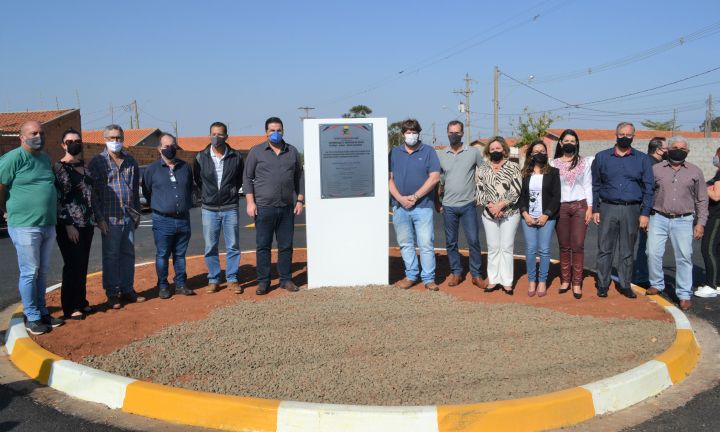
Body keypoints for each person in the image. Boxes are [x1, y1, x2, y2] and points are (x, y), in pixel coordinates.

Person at [0, 121, 64, 334]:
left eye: (41, 133)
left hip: (47, 223)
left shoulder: (45, 158)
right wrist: (4, 211)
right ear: (22, 137)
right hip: (25, 225)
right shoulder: (13, 159)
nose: (38, 136)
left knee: (43, 271)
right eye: (33, 133)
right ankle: (32, 315)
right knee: (30, 272)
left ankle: (42, 311)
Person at [591, 122, 654, 299]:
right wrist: (596, 208)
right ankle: (603, 284)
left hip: (631, 209)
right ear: (615, 134)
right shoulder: (602, 157)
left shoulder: (642, 159)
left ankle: (625, 285)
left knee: (627, 250)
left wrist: (645, 213)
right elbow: (595, 184)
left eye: (628, 134)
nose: (625, 137)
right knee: (604, 248)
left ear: (634, 136)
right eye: (621, 134)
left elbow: (649, 188)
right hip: (607, 207)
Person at [645, 136, 707, 311]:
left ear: (687, 151)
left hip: (684, 220)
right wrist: (645, 216)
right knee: (652, 252)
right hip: (658, 217)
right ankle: (657, 283)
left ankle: (684, 294)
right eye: (675, 147)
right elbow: (648, 193)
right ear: (668, 149)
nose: (678, 149)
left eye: (682, 148)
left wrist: (700, 223)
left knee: (684, 257)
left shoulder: (695, 172)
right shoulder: (656, 169)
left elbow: (702, 199)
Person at [244, 117, 304, 295]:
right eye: (272, 130)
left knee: (286, 245)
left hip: (286, 207)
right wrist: (250, 202)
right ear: (266, 132)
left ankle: (286, 279)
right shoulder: (256, 152)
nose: (275, 133)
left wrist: (299, 200)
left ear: (283, 131)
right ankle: (264, 281)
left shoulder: (292, 151)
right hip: (263, 207)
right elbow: (247, 178)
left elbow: (299, 177)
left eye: (278, 130)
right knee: (263, 246)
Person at [89, 124, 145, 309]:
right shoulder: (97, 162)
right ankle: (112, 293)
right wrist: (100, 219)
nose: (115, 141)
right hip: (110, 218)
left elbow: (135, 191)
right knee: (111, 256)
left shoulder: (131, 161)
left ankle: (127, 289)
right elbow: (93, 194)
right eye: (112, 138)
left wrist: (136, 214)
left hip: (128, 216)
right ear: (105, 139)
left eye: (119, 138)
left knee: (128, 254)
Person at [389, 119, 441, 291]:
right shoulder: (394, 153)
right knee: (405, 243)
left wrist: (416, 196)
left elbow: (434, 177)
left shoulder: (428, 152)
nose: (411, 135)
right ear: (402, 134)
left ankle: (428, 278)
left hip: (423, 205)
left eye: (414, 132)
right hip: (399, 206)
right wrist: (400, 198)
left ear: (419, 133)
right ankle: (411, 275)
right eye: (407, 132)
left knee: (426, 243)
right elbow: (388, 179)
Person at [435, 120, 488, 289]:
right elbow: (438, 181)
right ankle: (456, 272)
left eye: (457, 132)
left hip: (468, 205)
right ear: (447, 133)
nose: (454, 135)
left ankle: (476, 275)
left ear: (462, 134)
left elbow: (486, 173)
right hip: (448, 206)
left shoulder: (473, 152)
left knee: (473, 240)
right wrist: (438, 202)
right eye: (451, 132)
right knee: (451, 242)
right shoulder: (441, 155)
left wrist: (482, 195)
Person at [193, 122, 244, 294]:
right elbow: (198, 180)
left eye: (220, 134)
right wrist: (207, 195)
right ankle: (214, 278)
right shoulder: (201, 157)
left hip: (230, 207)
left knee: (233, 245)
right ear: (209, 135)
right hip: (209, 208)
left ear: (226, 136)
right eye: (213, 134)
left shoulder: (236, 157)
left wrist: (230, 192)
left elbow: (239, 180)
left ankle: (232, 278)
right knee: (210, 246)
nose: (216, 137)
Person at [142, 133, 194, 299]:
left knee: (180, 254)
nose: (170, 149)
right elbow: (147, 191)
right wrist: (161, 205)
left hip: (183, 219)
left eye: (173, 145)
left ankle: (180, 284)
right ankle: (163, 285)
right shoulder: (152, 169)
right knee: (163, 254)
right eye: (166, 146)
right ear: (159, 149)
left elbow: (189, 188)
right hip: (162, 219)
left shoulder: (185, 167)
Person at [54, 128, 95, 320]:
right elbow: (59, 198)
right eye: (69, 141)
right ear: (63, 145)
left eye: (77, 140)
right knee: (72, 264)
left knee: (82, 264)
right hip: (69, 225)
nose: (74, 143)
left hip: (87, 223)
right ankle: (70, 307)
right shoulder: (59, 168)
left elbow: (90, 195)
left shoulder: (85, 167)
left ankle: (81, 301)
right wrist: (68, 224)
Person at [475, 136, 522, 294]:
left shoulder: (513, 167)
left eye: (498, 148)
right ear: (488, 151)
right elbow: (479, 190)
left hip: (510, 212)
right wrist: (491, 208)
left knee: (506, 247)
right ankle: (493, 280)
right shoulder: (482, 168)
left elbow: (516, 190)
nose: (495, 151)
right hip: (489, 214)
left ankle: (507, 282)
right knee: (493, 247)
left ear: (504, 149)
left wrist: (501, 205)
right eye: (492, 149)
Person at [550, 129, 593, 299]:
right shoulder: (553, 164)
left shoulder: (584, 163)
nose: (569, 143)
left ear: (576, 143)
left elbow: (588, 185)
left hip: (580, 206)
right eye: (566, 140)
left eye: (572, 140)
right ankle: (565, 280)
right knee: (564, 245)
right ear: (560, 143)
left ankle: (577, 283)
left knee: (578, 245)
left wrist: (590, 207)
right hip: (560, 207)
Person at [519, 140, 561, 297]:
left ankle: (542, 281)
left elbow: (556, 196)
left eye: (542, 151)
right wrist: (525, 214)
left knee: (544, 249)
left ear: (547, 153)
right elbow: (521, 196)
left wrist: (546, 214)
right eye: (536, 152)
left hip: (547, 218)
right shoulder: (524, 173)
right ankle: (532, 280)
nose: (539, 154)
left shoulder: (554, 172)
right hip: (527, 217)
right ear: (530, 154)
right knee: (530, 249)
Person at [634, 136, 669, 286]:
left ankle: (644, 276)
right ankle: (642, 277)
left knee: (647, 246)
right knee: (646, 246)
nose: (669, 151)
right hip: (649, 211)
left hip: (651, 211)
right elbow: (646, 190)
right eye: (667, 148)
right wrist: (645, 213)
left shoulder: (658, 163)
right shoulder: (650, 165)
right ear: (658, 150)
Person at [696, 146, 720, 298]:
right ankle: (716, 283)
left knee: (708, 249)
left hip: (716, 217)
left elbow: (717, 196)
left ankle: (711, 285)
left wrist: (701, 186)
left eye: (717, 155)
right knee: (716, 250)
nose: (715, 158)